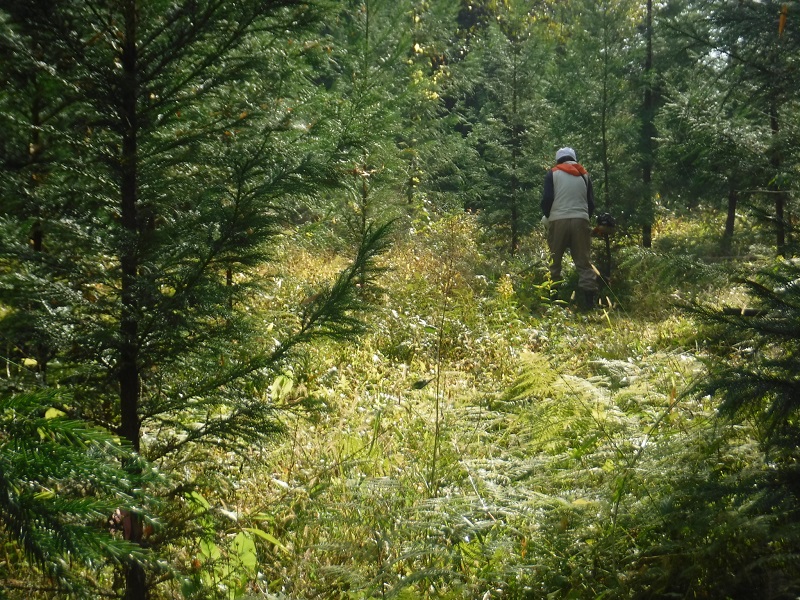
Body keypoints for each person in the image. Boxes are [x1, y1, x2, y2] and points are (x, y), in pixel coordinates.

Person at [541, 147, 598, 309]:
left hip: (558, 221)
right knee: (584, 262)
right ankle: (589, 304)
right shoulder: (584, 175)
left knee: (555, 261)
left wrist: (548, 216)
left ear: (558, 160)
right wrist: (585, 218)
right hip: (581, 220)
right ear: (574, 159)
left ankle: (553, 301)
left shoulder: (553, 173)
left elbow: (547, 199)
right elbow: (591, 203)